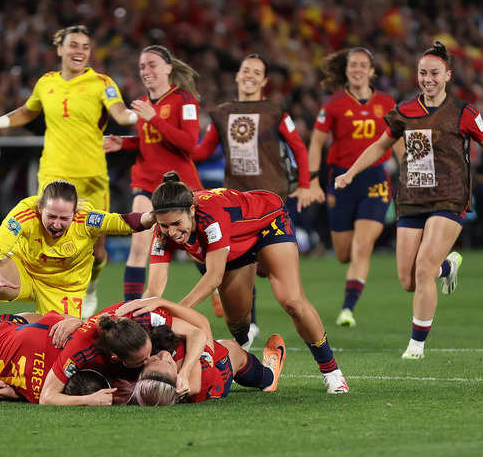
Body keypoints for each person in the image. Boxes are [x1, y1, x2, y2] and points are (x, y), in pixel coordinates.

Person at [0, 25, 137, 319]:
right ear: (59, 49)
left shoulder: (102, 82)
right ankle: (45, 298)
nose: (80, 51)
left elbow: (121, 114)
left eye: (85, 47)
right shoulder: (45, 83)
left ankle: (91, 284)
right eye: (74, 45)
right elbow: (27, 111)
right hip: (53, 177)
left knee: (98, 250)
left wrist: (142, 115)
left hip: (91, 178)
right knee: (47, 237)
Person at [0, 180, 156, 392]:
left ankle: (22, 343)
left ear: (74, 214)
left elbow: (127, 221)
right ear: (39, 208)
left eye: (64, 218)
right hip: (25, 272)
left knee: (62, 349)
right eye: (51, 216)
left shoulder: (87, 219)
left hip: (65, 288)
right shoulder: (24, 212)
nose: (57, 224)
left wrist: (155, 215)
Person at [144, 172, 349, 394]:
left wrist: (177, 311)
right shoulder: (162, 230)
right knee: (237, 318)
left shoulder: (210, 216)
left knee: (292, 301)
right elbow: (154, 288)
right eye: (165, 226)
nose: (171, 232)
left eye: (176, 223)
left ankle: (332, 372)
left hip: (268, 225)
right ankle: (243, 358)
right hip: (233, 244)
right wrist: (142, 317)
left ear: (191, 210)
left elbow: (213, 276)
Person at [335, 41, 473, 360]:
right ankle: (447, 266)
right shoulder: (404, 112)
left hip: (449, 199)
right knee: (408, 279)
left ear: (448, 75)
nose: (428, 78)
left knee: (424, 265)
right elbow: (379, 145)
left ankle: (416, 346)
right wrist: (351, 173)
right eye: (423, 72)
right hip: (411, 199)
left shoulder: (464, 112)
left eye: (435, 73)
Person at [193, 53, 318, 340]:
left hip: (270, 200)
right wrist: (171, 144)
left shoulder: (275, 111)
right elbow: (201, 152)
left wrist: (305, 183)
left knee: (265, 269)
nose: (249, 75)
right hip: (235, 203)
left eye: (255, 72)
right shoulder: (222, 113)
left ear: (264, 81)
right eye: (245, 70)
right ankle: (250, 326)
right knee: (236, 263)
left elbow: (298, 146)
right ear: (237, 76)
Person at [103, 45, 204, 306]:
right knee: (138, 248)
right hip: (147, 183)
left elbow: (189, 145)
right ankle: (130, 315)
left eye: (152, 65)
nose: (146, 71)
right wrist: (123, 144)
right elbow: (150, 142)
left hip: (181, 186)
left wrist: (155, 118)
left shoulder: (185, 100)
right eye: (142, 66)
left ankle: (219, 291)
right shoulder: (143, 103)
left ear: (168, 68)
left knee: (198, 250)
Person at [307, 47, 399, 328]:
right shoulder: (333, 104)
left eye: (363, 65)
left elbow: (400, 140)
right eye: (353, 65)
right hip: (341, 180)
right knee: (343, 252)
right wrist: (312, 181)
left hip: (375, 179)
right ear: (346, 71)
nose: (357, 69)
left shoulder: (387, 103)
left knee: (362, 247)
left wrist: (409, 174)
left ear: (372, 71)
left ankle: (348, 308)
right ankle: (350, 295)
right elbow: (316, 143)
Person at [37, 299, 212, 405]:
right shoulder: (79, 350)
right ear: (116, 358)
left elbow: (197, 332)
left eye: (149, 351)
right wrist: (87, 400)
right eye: (141, 361)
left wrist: (184, 372)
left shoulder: (138, 315)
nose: (150, 359)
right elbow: (47, 397)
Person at [117, 297, 287, 405]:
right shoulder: (193, 380)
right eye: (168, 362)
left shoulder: (147, 383)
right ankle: (268, 377)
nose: (162, 355)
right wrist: (162, 302)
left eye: (152, 361)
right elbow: (201, 326)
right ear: (177, 380)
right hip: (217, 375)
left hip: (201, 377)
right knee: (232, 350)